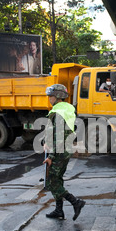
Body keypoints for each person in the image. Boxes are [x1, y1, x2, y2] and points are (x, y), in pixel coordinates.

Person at [43, 84, 85, 221]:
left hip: (59, 152)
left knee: (52, 182)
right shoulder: (67, 109)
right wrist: (46, 140)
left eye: (51, 96)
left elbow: (59, 136)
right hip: (65, 150)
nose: (49, 98)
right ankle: (59, 210)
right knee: (58, 180)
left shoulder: (58, 112)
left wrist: (51, 156)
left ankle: (75, 202)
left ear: (58, 96)